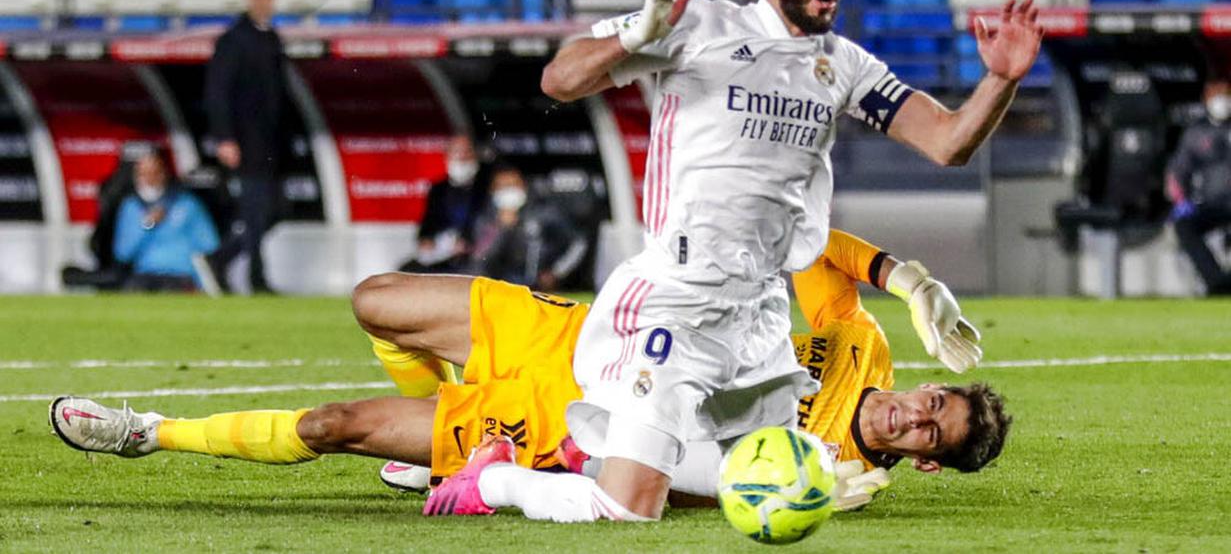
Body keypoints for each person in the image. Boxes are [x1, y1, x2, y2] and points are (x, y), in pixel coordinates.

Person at [410, 0, 1041, 523]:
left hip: (760, 318)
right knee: (630, 509)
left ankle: (580, 453)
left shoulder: (844, 66)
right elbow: (560, 79)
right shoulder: (701, 26)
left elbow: (947, 141)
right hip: (676, 299)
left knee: (762, 478)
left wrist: (1000, 81)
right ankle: (491, 480)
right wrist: (636, 34)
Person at [49, 230, 1010, 512]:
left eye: (931, 435)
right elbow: (812, 253)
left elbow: (674, 483)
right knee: (375, 299)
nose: (915, 418)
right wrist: (910, 278)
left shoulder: (822, 475)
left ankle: (144, 433)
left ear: (922, 461)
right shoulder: (863, 348)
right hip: (578, 336)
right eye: (935, 404)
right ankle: (434, 430)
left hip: (563, 424)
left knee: (330, 427)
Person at [198, 0, 286, 295]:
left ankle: (221, 258)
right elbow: (217, 93)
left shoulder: (272, 38)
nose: (265, 1)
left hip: (270, 143)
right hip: (245, 141)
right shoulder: (233, 40)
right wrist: (224, 137)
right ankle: (256, 279)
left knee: (273, 210)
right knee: (254, 210)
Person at [111, 146, 219, 292]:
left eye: (154, 173)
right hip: (145, 275)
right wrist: (148, 224)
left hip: (180, 275)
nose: (150, 179)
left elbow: (210, 244)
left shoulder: (186, 204)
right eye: (144, 174)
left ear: (164, 173)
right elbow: (122, 253)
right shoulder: (131, 206)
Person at [467, 164, 589, 291]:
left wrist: (557, 272)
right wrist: (501, 228)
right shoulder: (485, 219)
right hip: (498, 289)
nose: (509, 191)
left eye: (514, 185)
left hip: (538, 289)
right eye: (504, 187)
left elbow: (578, 242)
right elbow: (479, 259)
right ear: (493, 190)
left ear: (524, 186)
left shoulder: (544, 212)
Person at [1166, 79, 1231, 295]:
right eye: (1217, 97)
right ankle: (1217, 282)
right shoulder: (1196, 133)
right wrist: (1181, 200)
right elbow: (1178, 171)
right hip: (1211, 203)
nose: (1222, 102)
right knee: (1184, 225)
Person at [399, 135, 487, 274]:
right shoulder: (438, 189)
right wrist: (426, 240)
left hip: (473, 255)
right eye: (457, 151)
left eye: (467, 151)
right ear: (447, 156)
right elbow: (428, 222)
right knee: (406, 271)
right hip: (441, 253)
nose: (462, 157)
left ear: (476, 154)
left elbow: (490, 224)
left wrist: (467, 242)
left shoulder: (487, 186)